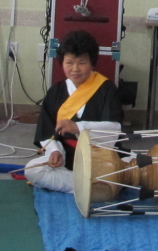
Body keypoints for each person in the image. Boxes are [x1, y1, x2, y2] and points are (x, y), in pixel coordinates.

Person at [23, 30, 123, 193]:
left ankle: (84, 186)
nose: (75, 69)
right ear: (62, 63)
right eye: (69, 62)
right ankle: (91, 188)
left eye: (82, 63)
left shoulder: (107, 89)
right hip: (66, 158)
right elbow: (47, 131)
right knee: (32, 169)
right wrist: (55, 151)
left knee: (130, 167)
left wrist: (78, 127)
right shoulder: (56, 92)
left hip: (99, 158)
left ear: (92, 63)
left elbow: (114, 129)